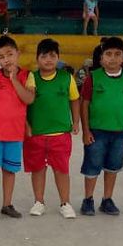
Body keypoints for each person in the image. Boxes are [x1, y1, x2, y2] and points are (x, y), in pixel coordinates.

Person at [79, 36, 123, 216]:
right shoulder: (93, 77)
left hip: (119, 132)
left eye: (117, 54)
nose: (113, 58)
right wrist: (86, 130)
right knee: (92, 166)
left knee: (113, 167)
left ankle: (107, 199)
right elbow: (84, 104)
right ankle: (88, 199)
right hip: (96, 132)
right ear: (101, 58)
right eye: (109, 54)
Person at [23, 38, 80, 219]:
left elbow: (74, 100)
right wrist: (26, 125)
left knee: (61, 169)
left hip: (60, 133)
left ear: (58, 58)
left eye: (52, 56)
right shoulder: (31, 78)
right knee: (38, 169)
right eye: (44, 56)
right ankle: (39, 202)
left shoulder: (67, 78)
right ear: (37, 58)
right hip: (36, 133)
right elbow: (24, 102)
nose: (48, 60)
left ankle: (65, 203)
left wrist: (76, 121)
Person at [0, 35, 33, 220]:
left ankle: (7, 204)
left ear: (18, 53)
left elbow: (28, 99)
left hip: (15, 134)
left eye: (10, 54)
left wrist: (14, 79)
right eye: (1, 57)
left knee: (10, 170)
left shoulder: (27, 76)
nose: (6, 59)